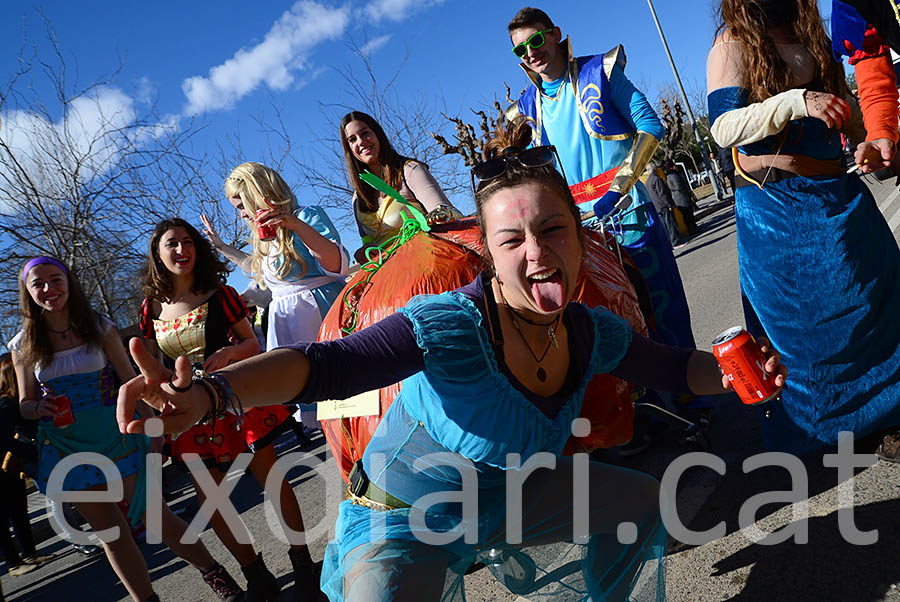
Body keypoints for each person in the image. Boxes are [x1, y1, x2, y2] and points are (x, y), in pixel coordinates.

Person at [117, 118, 787, 602]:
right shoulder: (450, 325)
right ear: (486, 251)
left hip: (504, 499)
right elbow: (319, 366)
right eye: (512, 238)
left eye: (553, 229)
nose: (536, 252)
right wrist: (206, 395)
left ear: (580, 240)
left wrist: (732, 370)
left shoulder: (588, 329)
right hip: (399, 521)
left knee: (639, 503)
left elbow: (673, 369)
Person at [707, 0, 900, 454]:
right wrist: (797, 101)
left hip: (839, 197)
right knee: (804, 331)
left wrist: (870, 139)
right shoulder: (732, 42)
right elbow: (723, 128)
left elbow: (845, 110)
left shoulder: (813, 33)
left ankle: (889, 416)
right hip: (779, 208)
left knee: (876, 303)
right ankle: (823, 431)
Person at [9, 256, 239, 602]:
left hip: (116, 433)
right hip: (66, 444)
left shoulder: (98, 326)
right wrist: (37, 407)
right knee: (111, 534)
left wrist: (155, 428)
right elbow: (25, 403)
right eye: (38, 284)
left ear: (69, 282)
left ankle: (216, 576)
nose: (48, 289)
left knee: (156, 518)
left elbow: (130, 380)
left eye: (55, 280)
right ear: (28, 292)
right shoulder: (23, 343)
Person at [140, 218, 320, 602]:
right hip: (189, 412)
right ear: (158, 253)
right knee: (211, 500)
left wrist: (229, 353)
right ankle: (256, 575)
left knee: (272, 479)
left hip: (236, 397)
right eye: (171, 244)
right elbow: (153, 366)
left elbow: (252, 344)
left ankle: (303, 564)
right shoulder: (149, 308)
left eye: (187, 242)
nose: (181, 250)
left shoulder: (219, 294)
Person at [505, 6, 698, 358]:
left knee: (660, 306)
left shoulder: (600, 72)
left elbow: (651, 126)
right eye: (520, 49)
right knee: (610, 323)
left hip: (629, 215)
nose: (530, 52)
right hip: (575, 232)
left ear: (554, 33)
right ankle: (643, 407)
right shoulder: (525, 110)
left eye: (535, 40)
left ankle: (692, 400)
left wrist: (618, 187)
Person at [202, 162, 349, 351]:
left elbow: (338, 266)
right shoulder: (267, 239)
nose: (242, 215)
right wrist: (221, 246)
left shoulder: (305, 217)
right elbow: (258, 269)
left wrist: (296, 225)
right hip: (284, 325)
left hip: (321, 315)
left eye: (242, 206)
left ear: (256, 196)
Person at [340, 111, 462, 262]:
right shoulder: (358, 199)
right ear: (349, 148)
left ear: (378, 135)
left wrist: (440, 215)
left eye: (365, 133)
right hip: (390, 275)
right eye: (352, 139)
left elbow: (449, 212)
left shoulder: (410, 170)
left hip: (430, 264)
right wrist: (363, 251)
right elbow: (366, 241)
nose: (361, 141)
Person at [0, 353, 54, 576]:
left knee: (19, 511)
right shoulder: (5, 403)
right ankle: (13, 563)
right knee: (4, 517)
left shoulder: (11, 402)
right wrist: (29, 452)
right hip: (3, 467)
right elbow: (3, 438)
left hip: (10, 467)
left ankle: (29, 553)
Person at [645, 162, 684, 248]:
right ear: (655, 169)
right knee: (671, 224)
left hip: (657, 207)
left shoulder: (648, 182)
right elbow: (662, 194)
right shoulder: (656, 179)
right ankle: (676, 242)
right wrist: (669, 204)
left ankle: (670, 243)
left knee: (665, 227)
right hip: (663, 206)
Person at [664, 160, 699, 236]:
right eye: (674, 165)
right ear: (672, 167)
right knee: (687, 214)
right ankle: (692, 229)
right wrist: (687, 193)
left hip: (678, 198)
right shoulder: (673, 175)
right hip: (681, 197)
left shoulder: (670, 176)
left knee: (688, 214)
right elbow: (678, 186)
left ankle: (693, 227)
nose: (676, 167)